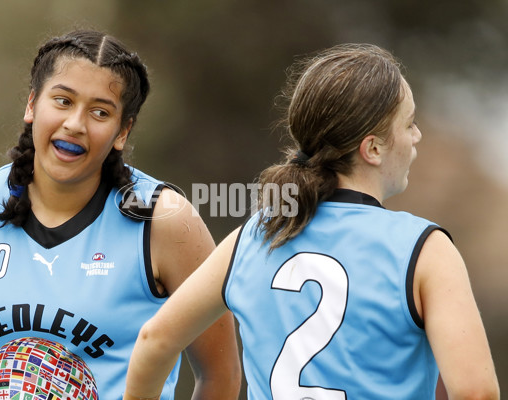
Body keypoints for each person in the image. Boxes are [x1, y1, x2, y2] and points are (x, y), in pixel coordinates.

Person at [123, 44, 500, 400]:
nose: (417, 136)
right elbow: (476, 392)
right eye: (409, 123)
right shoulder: (424, 248)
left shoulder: (256, 235)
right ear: (372, 149)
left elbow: (155, 340)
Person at [0, 29, 241, 400]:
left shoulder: (164, 220)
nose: (75, 124)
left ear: (123, 131)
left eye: (100, 111)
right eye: (63, 101)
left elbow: (221, 375)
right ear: (33, 105)